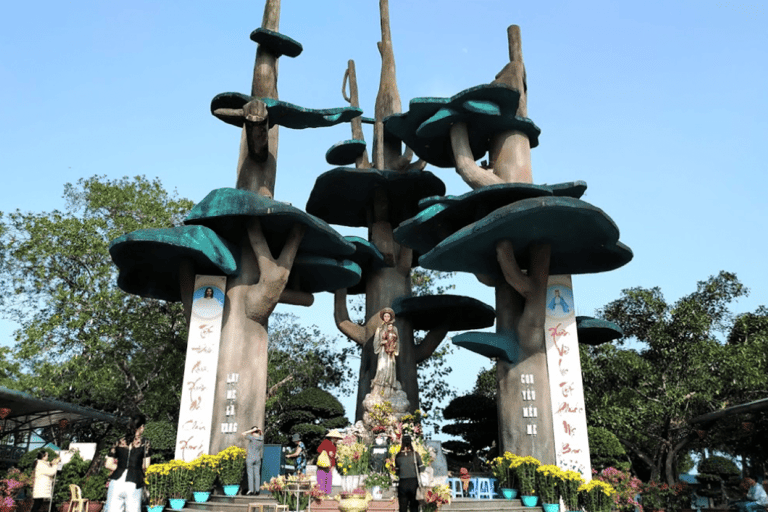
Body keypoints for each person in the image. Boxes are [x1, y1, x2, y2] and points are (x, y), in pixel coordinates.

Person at [105, 414, 150, 512]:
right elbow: (146, 465)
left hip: (116, 482)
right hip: (134, 482)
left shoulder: (119, 441)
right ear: (141, 427)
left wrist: (121, 467)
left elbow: (108, 464)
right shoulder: (144, 443)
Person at [372, 308, 399, 397]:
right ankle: (380, 385)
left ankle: (389, 385)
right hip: (383, 350)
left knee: (390, 366)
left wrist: (394, 348)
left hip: (391, 351)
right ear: (383, 318)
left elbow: (397, 340)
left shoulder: (394, 328)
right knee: (381, 366)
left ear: (390, 318)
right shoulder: (380, 328)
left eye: (388, 316)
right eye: (385, 316)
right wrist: (381, 342)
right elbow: (376, 340)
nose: (386, 318)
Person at [394, 435, 423, 512]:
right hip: (413, 482)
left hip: (403, 483)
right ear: (410, 443)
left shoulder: (398, 456)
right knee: (414, 506)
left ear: (402, 443)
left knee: (403, 507)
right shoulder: (415, 455)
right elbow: (421, 468)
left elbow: (397, 471)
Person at [316, 429, 342, 495]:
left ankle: (326, 495)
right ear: (332, 437)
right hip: (323, 465)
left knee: (328, 482)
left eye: (338, 438)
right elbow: (319, 450)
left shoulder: (334, 445)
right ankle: (320, 496)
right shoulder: (325, 442)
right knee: (321, 481)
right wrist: (327, 452)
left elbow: (333, 457)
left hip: (330, 466)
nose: (337, 439)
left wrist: (333, 465)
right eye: (336, 438)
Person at [241, 426, 264, 495]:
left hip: (250, 458)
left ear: (253, 432)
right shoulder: (261, 438)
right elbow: (262, 435)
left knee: (250, 474)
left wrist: (251, 431)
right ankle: (257, 490)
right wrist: (260, 431)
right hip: (258, 458)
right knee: (257, 474)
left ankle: (251, 490)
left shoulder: (252, 438)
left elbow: (243, 434)